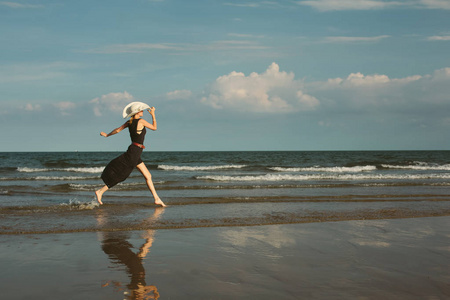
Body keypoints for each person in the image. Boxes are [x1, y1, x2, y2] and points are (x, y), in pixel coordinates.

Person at [95, 101, 166, 207]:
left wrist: (107, 135)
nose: (142, 111)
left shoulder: (129, 122)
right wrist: (153, 115)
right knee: (122, 175)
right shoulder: (141, 121)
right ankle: (100, 191)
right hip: (134, 152)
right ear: (137, 112)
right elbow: (154, 128)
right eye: (141, 110)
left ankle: (156, 199)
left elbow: (118, 130)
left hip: (135, 151)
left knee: (148, 176)